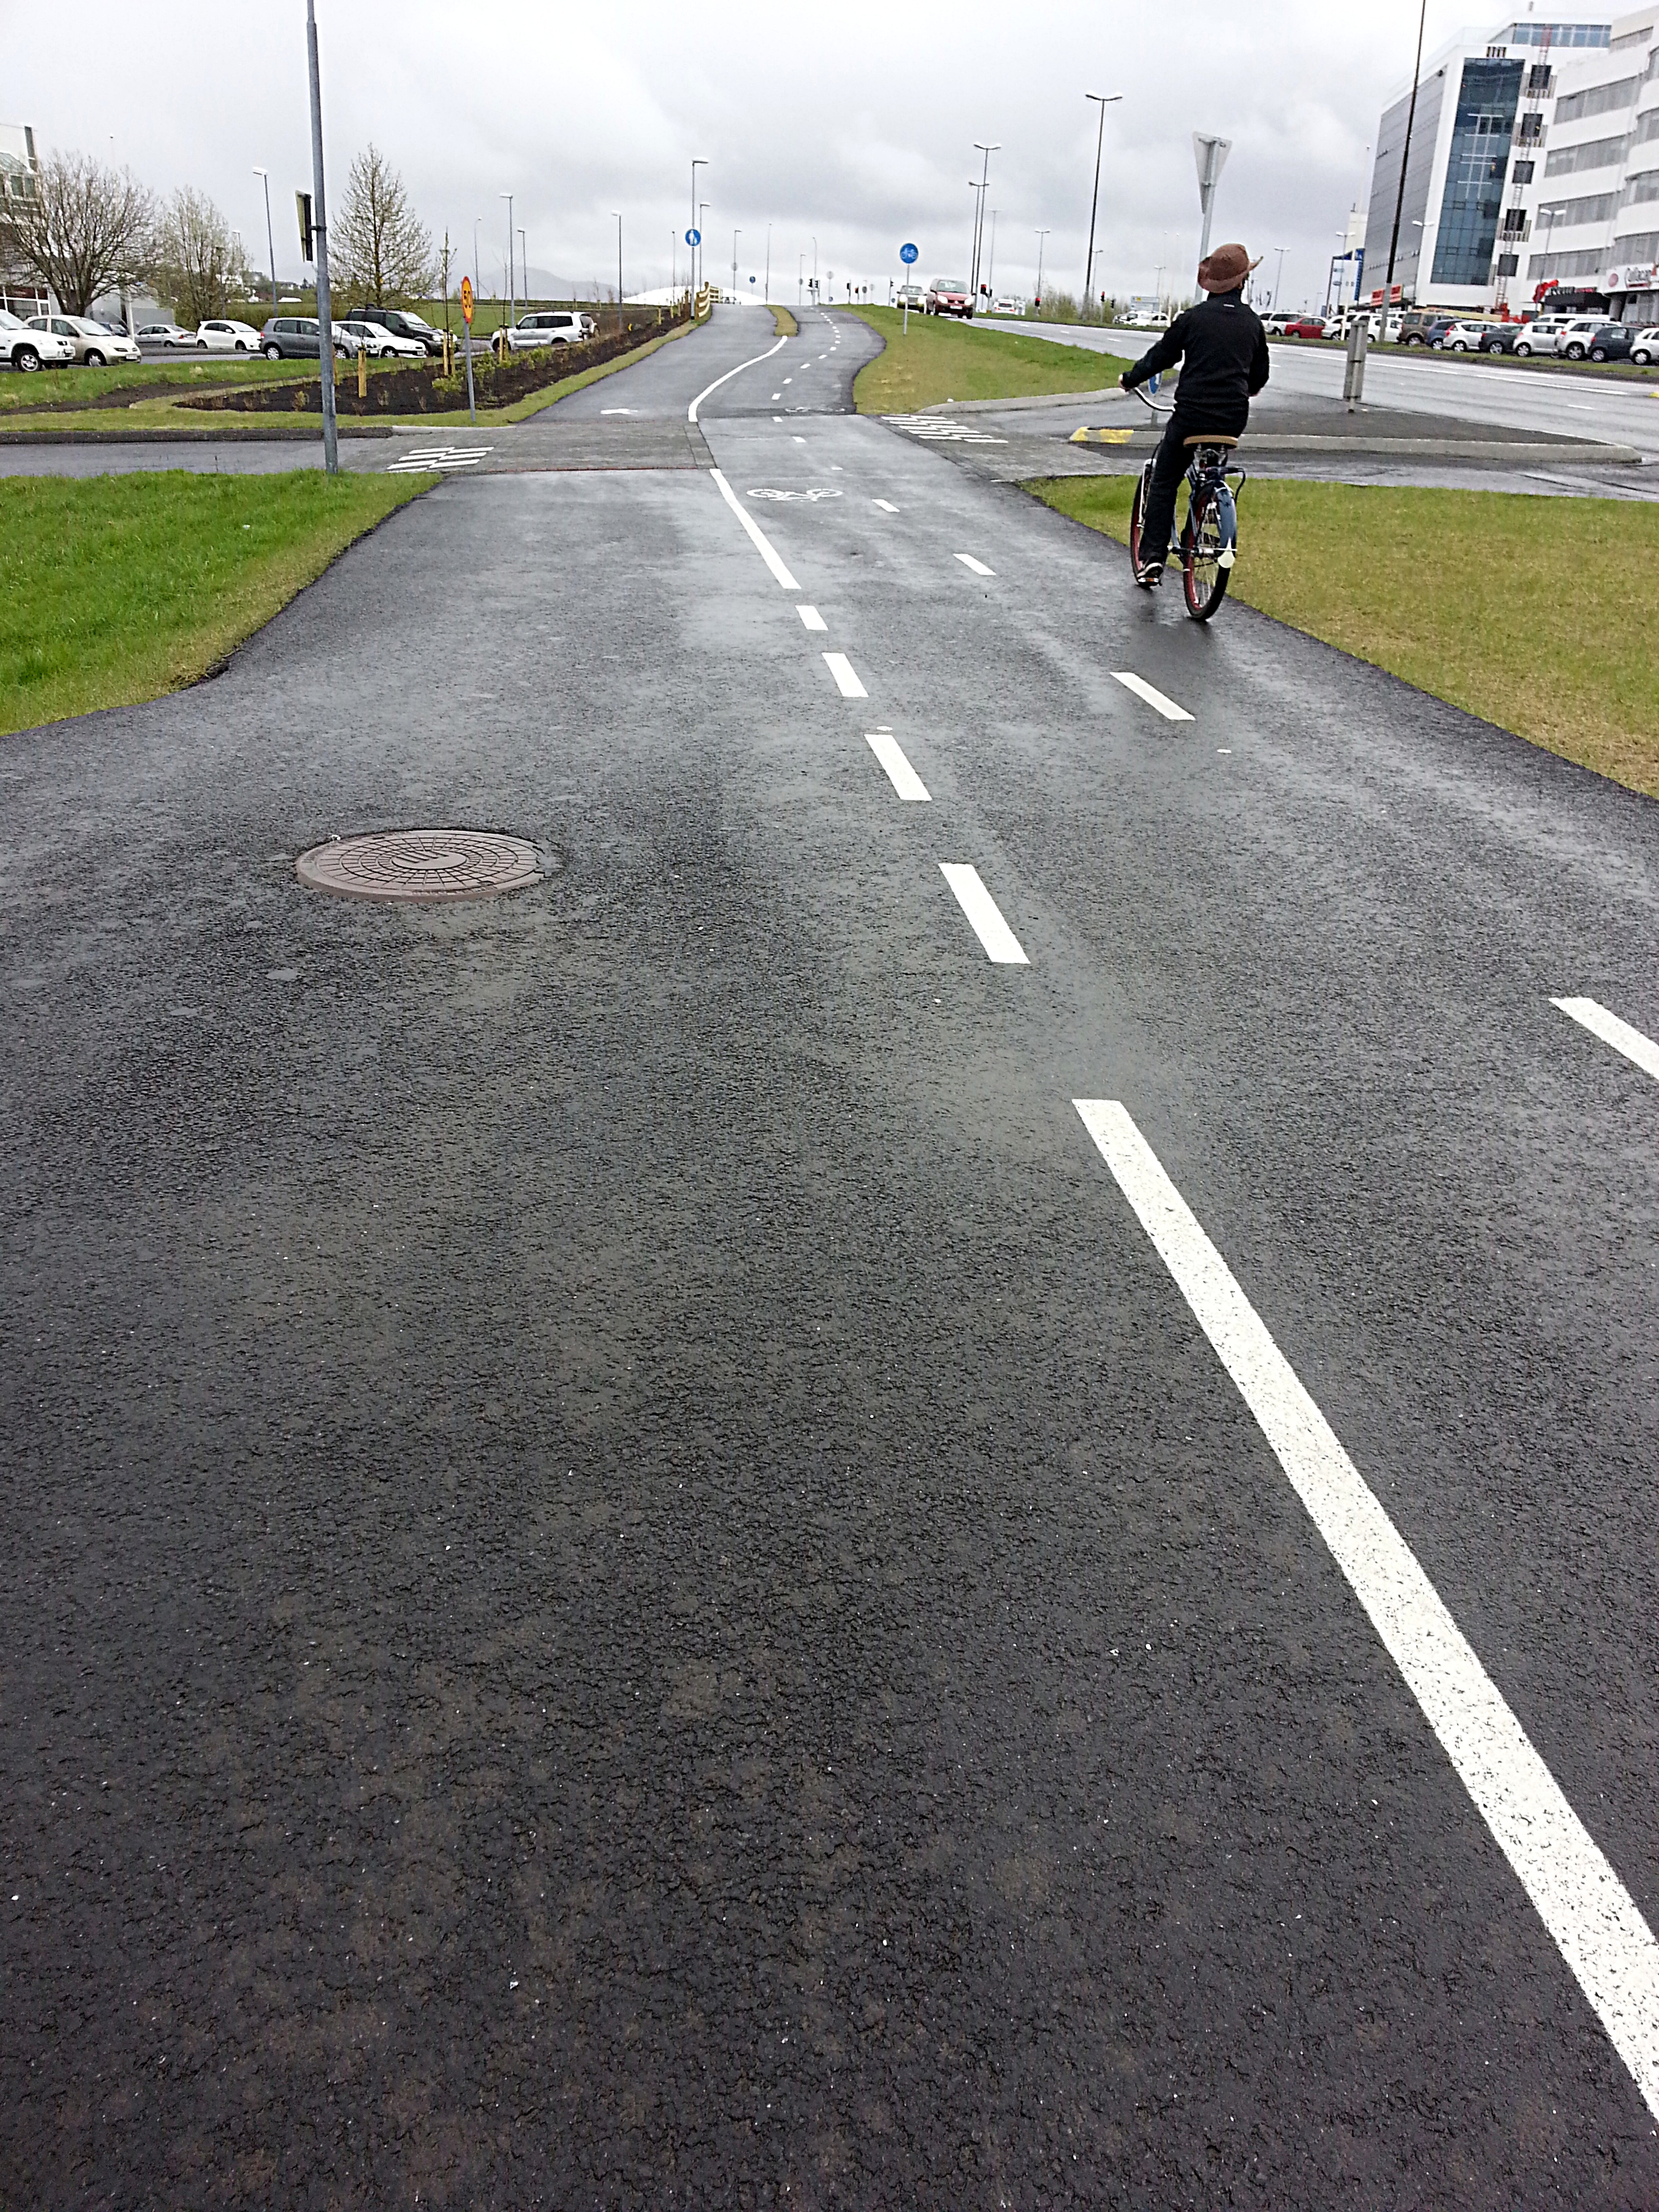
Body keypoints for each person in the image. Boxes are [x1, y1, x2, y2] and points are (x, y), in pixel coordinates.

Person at [1119, 242, 1270, 588]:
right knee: (1211, 469)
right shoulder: (1252, 324)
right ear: (1242, 282)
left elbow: (1162, 357)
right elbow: (1259, 377)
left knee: (1165, 478)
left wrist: (1130, 380)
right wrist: (1245, 389)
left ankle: (1153, 557)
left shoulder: (1192, 319)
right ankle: (1199, 528)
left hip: (1190, 417)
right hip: (1232, 418)